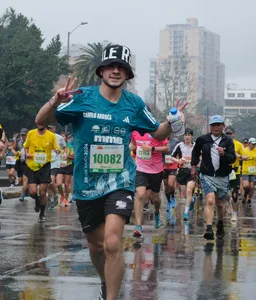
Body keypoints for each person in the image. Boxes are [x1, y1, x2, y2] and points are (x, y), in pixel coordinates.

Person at [35, 43, 187, 300]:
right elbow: (41, 121)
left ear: (127, 74)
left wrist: (172, 124)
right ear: (101, 71)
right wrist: (55, 100)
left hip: (120, 180)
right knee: (97, 246)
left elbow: (157, 132)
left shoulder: (134, 104)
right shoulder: (82, 97)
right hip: (86, 185)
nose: (115, 71)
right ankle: (107, 281)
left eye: (121, 68)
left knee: (113, 242)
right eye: (110, 66)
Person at [191, 115, 236, 240]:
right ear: (210, 126)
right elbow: (195, 152)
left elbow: (233, 158)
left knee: (220, 204)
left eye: (218, 125)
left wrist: (224, 154)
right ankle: (209, 229)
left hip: (222, 176)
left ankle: (220, 223)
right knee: (210, 200)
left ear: (223, 126)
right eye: (213, 125)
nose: (216, 127)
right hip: (207, 174)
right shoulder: (202, 140)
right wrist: (194, 166)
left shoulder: (228, 141)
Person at [130, 130, 169, 238]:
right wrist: (119, 151)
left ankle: (156, 213)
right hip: (140, 169)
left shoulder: (157, 132)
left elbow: (166, 148)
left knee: (155, 198)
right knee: (140, 194)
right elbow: (133, 144)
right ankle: (138, 226)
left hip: (156, 170)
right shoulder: (135, 132)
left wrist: (152, 148)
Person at [23, 124, 60, 223]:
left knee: (43, 192)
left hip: (44, 167)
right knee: (33, 192)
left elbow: (56, 148)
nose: (40, 124)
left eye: (42, 122)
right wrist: (27, 154)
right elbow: (25, 146)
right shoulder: (31, 133)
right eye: (38, 122)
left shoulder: (51, 136)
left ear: (45, 124)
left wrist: (57, 150)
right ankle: (37, 201)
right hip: (32, 166)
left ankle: (42, 214)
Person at [171, 128, 195, 221]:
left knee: (189, 191)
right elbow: (172, 157)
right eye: (185, 135)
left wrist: (197, 163)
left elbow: (201, 155)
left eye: (189, 135)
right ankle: (192, 200)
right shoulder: (179, 145)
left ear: (191, 136)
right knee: (185, 194)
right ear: (183, 136)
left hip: (192, 171)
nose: (187, 137)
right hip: (182, 171)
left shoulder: (195, 146)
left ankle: (185, 213)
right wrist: (178, 160)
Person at [47, 124, 66, 209]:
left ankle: (55, 197)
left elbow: (64, 147)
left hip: (55, 162)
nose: (49, 129)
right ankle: (50, 198)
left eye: (51, 128)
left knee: (51, 181)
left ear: (54, 128)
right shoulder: (44, 137)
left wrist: (64, 153)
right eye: (48, 128)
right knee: (47, 184)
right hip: (46, 162)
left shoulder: (59, 138)